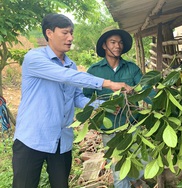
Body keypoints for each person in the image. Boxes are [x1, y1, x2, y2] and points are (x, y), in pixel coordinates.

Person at [12, 13, 131, 188]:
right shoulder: (35, 58)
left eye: (72, 33)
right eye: (65, 33)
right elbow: (64, 76)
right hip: (33, 138)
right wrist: (108, 84)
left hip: (61, 142)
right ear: (49, 33)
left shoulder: (71, 64)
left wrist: (104, 106)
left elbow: (78, 97)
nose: (70, 38)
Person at [83, 27, 151, 188]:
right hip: (110, 129)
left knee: (143, 162)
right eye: (112, 42)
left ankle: (135, 180)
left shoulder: (132, 68)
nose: (117, 46)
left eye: (120, 43)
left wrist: (159, 103)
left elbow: (146, 90)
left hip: (132, 125)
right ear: (104, 46)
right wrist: (103, 107)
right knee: (118, 170)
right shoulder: (94, 70)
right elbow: (85, 97)